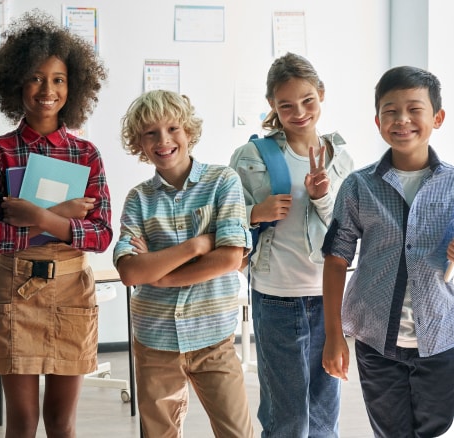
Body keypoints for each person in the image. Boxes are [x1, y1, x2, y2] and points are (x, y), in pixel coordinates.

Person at [0, 9, 112, 438]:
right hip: (16, 292)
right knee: (22, 423)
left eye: (58, 79)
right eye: (35, 78)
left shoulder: (86, 154)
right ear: (16, 83)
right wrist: (52, 218)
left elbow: (102, 235)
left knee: (62, 424)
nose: (46, 90)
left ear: (73, 86)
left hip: (72, 292)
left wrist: (41, 216)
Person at [113, 89, 254, 438]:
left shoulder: (223, 181)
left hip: (214, 339)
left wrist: (159, 275)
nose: (164, 140)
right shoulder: (138, 199)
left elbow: (230, 257)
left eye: (173, 128)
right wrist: (196, 245)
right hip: (154, 340)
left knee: (238, 432)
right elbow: (131, 271)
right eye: (151, 133)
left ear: (188, 132)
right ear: (140, 144)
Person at [322, 65, 454, 437]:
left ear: (437, 117)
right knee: (391, 432)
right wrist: (334, 335)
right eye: (390, 111)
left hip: (443, 337)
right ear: (377, 120)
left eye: (415, 109)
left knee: (435, 427)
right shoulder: (359, 186)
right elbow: (336, 260)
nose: (402, 120)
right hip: (376, 338)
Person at [229, 52, 353, 438]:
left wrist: (321, 196)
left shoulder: (340, 159)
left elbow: (345, 231)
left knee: (323, 416)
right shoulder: (251, 156)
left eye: (307, 101)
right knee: (288, 419)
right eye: (286, 105)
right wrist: (255, 212)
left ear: (321, 95)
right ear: (272, 106)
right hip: (276, 297)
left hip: (327, 296)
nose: (299, 112)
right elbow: (224, 220)